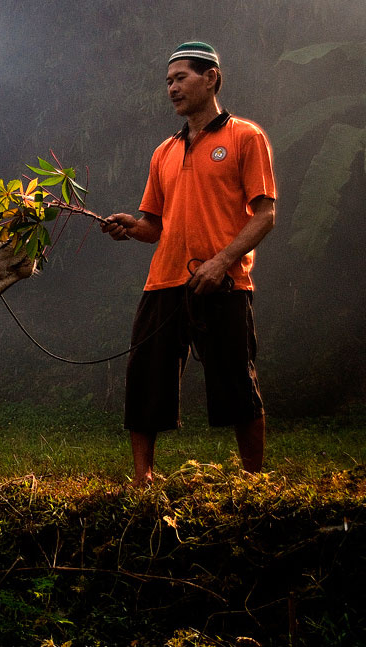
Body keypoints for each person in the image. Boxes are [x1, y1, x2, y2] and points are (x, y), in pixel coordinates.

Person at [101, 41, 277, 486]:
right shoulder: (164, 151)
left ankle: (253, 484)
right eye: (168, 81)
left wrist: (222, 261)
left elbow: (266, 214)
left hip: (222, 283)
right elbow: (153, 225)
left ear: (211, 77)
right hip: (163, 282)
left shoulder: (244, 136)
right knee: (144, 378)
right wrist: (131, 226)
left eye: (181, 78)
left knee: (237, 379)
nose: (172, 88)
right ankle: (143, 481)